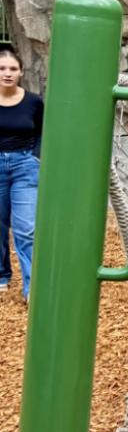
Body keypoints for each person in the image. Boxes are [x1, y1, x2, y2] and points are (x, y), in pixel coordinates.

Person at [0, 47, 42, 301]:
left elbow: (43, 131)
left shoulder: (34, 102)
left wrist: (36, 156)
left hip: (25, 166)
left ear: (21, 72)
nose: (7, 73)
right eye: (2, 68)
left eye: (13, 68)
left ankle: (31, 287)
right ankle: (2, 275)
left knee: (26, 228)